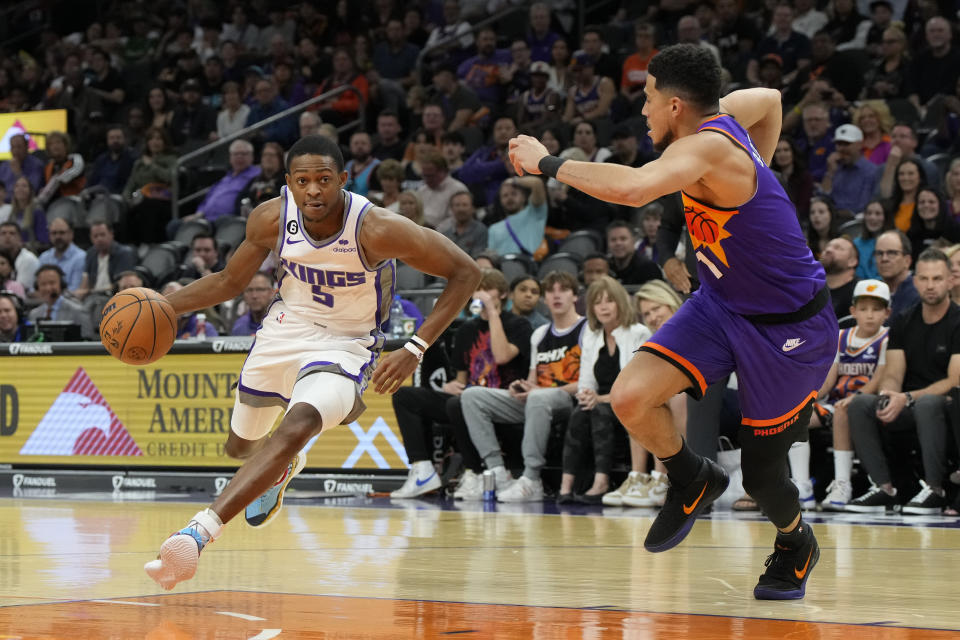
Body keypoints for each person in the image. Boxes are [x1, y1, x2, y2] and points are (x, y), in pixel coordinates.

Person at [509, 44, 837, 600]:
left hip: (789, 327)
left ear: (677, 105)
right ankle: (691, 476)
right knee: (631, 398)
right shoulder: (725, 116)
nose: (642, 109)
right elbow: (772, 98)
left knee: (762, 478)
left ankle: (795, 540)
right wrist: (758, 163)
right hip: (722, 301)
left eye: (648, 96)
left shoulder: (706, 148)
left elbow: (634, 189)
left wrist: (546, 162)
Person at [144, 135, 479, 590]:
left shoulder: (377, 228)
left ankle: (197, 534)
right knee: (241, 448)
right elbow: (228, 280)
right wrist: (165, 307)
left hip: (347, 343)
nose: (314, 191)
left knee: (296, 424)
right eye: (303, 181)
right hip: (284, 330)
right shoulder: (271, 219)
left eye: (324, 180)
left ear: (343, 179)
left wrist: (415, 347)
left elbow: (467, 273)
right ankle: (281, 467)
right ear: (289, 183)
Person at [391, 269, 532, 499]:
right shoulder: (467, 330)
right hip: (469, 397)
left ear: (504, 294)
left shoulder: (519, 325)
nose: (482, 294)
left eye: (488, 289)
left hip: (503, 401)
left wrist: (493, 314)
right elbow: (462, 380)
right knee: (405, 396)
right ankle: (422, 470)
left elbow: (502, 356)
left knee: (460, 403)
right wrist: (449, 387)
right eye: (479, 290)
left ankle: (474, 472)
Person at [845, 250, 960, 515]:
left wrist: (906, 398)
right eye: (924, 278)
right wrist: (890, 396)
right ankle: (884, 487)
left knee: (928, 403)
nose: (930, 285)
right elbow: (894, 372)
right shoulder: (903, 320)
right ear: (915, 281)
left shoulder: (957, 320)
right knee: (861, 403)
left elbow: (954, 379)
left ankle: (935, 488)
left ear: (950, 281)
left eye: (937, 278)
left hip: (945, 405)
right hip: (907, 403)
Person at [460, 271, 586, 502]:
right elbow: (533, 380)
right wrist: (522, 386)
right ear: (545, 298)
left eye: (563, 290)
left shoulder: (586, 329)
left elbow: (588, 382)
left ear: (575, 296)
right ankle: (497, 471)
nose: (556, 296)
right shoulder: (540, 334)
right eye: (551, 291)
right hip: (538, 399)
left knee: (538, 399)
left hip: (570, 400)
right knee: (472, 396)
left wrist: (538, 392)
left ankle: (531, 479)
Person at [558, 276, 651, 504]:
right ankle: (565, 486)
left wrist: (599, 399)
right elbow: (585, 380)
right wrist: (587, 395)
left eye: (609, 301)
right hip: (602, 400)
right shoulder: (592, 335)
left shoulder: (638, 332)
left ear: (620, 303)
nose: (603, 307)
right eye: (598, 302)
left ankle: (601, 482)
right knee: (580, 412)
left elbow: (637, 385)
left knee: (598, 411)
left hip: (630, 401)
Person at [806, 279, 890, 511]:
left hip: (868, 405)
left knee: (844, 409)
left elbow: (880, 379)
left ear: (887, 313)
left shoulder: (887, 338)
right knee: (796, 416)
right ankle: (802, 487)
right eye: (864, 309)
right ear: (853, 311)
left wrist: (855, 398)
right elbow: (829, 380)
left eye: (876, 309)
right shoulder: (841, 337)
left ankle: (843, 484)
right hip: (835, 404)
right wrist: (807, 398)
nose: (870, 315)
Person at [821, 124, 879, 215]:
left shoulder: (871, 171)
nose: (842, 148)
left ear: (859, 144)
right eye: (839, 144)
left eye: (847, 144)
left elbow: (862, 207)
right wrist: (830, 173)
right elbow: (822, 199)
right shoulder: (834, 167)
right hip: (831, 221)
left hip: (855, 223)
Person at [486, 176, 548, 260]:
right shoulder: (493, 229)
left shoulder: (535, 213)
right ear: (500, 201)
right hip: (505, 269)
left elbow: (537, 183)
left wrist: (515, 181)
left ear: (524, 198)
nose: (509, 198)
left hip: (532, 268)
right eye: (505, 195)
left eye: (514, 193)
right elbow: (492, 256)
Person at [75, 221, 136, 301]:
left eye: (102, 235)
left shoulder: (124, 253)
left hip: (113, 298)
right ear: (91, 238)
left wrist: (89, 292)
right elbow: (85, 281)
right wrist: (78, 294)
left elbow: (120, 286)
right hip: (93, 299)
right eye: (95, 236)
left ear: (111, 234)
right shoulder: (91, 253)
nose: (99, 239)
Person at [28, 265, 93, 339]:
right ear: (37, 287)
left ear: (61, 284)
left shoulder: (78, 311)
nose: (48, 288)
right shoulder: (34, 314)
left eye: (52, 283)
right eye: (43, 284)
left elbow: (87, 340)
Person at [874, 229, 920, 318]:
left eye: (891, 253)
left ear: (907, 261)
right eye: (879, 253)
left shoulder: (919, 292)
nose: (884, 259)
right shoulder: (871, 290)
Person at [606, 221, 661, 285]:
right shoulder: (605, 267)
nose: (618, 243)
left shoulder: (649, 268)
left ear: (633, 240)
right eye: (613, 240)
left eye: (623, 239)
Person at [37, 218, 85, 292]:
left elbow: (75, 289)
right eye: (54, 233)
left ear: (71, 234)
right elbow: (36, 286)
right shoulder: (44, 257)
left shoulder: (81, 257)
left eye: (62, 233)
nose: (57, 237)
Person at [436, 191, 487, 258]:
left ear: (472, 208)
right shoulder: (445, 232)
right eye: (457, 205)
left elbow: (478, 256)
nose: (461, 209)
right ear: (451, 209)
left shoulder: (481, 230)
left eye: (465, 205)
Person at [821, 236, 859, 319]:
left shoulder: (859, 292)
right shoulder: (812, 289)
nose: (828, 250)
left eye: (838, 248)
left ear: (852, 261)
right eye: (827, 247)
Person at [854, 200, 893, 280]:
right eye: (869, 213)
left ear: (886, 217)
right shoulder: (856, 244)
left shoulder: (894, 242)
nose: (872, 217)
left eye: (878, 213)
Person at [0, 222, 38, 292]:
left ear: (19, 238)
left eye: (12, 233)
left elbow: (20, 290)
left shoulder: (28, 259)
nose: (7, 236)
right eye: (3, 233)